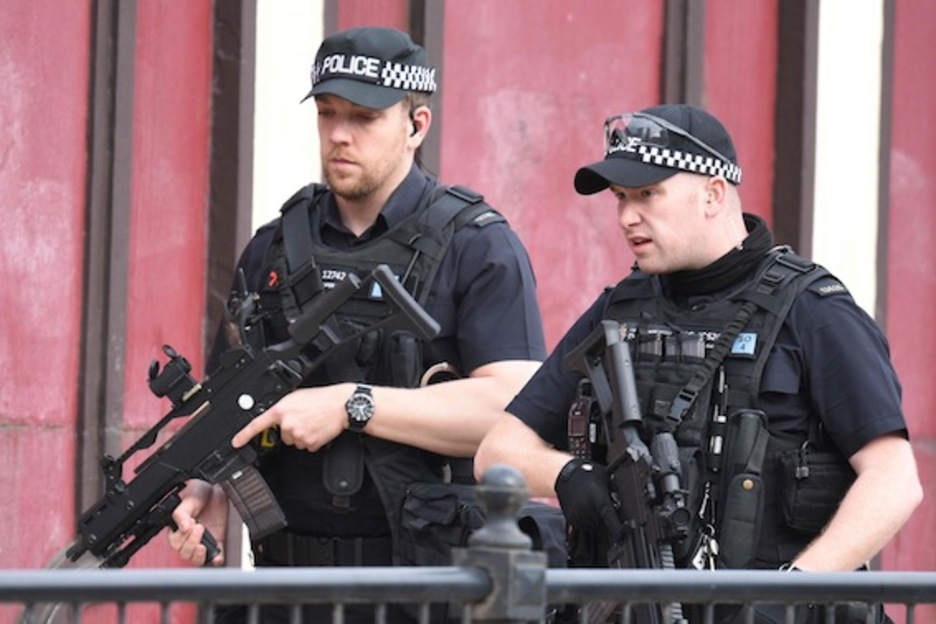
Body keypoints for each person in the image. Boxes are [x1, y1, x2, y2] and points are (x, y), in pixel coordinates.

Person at [474, 103, 923, 623]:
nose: (626, 217)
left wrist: (792, 593)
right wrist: (570, 474)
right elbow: (497, 451)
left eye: (647, 194)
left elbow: (893, 480)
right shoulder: (619, 309)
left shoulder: (813, 310)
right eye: (620, 198)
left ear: (712, 193)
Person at [167, 26, 551, 622]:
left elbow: (513, 410)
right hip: (284, 591)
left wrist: (352, 404)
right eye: (327, 113)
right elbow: (229, 402)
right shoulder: (272, 250)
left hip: (425, 593)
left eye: (364, 117)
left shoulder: (478, 246)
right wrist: (210, 486)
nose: (339, 135)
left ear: (416, 125)